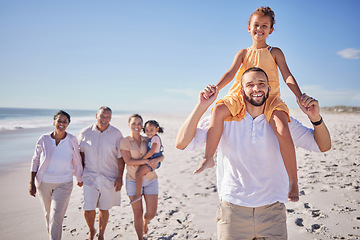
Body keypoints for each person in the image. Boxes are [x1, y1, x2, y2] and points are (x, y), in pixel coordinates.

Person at [176, 67, 331, 239]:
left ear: (268, 88)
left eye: (261, 84)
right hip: (233, 211)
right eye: (250, 85)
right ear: (241, 90)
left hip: (273, 211)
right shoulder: (227, 118)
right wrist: (201, 106)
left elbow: (322, 146)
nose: (256, 88)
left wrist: (315, 118)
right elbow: (183, 143)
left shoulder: (281, 121)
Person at [202, 6, 303, 202]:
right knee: (219, 109)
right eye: (256, 25)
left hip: (270, 97)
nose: (260, 29)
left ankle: (293, 180)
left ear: (271, 30)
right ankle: (208, 157)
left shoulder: (275, 52)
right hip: (243, 95)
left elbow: (287, 75)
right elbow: (231, 73)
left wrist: (299, 95)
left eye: (264, 26)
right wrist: (216, 87)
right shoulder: (243, 53)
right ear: (248, 28)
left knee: (282, 130)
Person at [29, 110, 83, 240]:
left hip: (64, 183)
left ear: (68, 124)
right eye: (59, 120)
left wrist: (79, 177)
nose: (61, 123)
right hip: (44, 183)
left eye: (65, 121)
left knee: (56, 215)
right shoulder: (44, 139)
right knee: (48, 215)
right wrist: (32, 183)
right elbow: (35, 160)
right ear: (54, 122)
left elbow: (77, 159)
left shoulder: (72, 140)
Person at [78, 106, 124, 240]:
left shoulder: (116, 134)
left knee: (104, 209)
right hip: (89, 177)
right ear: (96, 116)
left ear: (110, 118)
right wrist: (79, 176)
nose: (104, 119)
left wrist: (120, 177)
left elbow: (121, 157)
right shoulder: (85, 133)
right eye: (102, 116)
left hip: (109, 177)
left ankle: (101, 235)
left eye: (108, 117)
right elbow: (80, 156)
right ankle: (91, 230)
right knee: (88, 208)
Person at [120, 114, 164, 240]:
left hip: (150, 179)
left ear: (142, 126)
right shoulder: (125, 141)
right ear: (129, 125)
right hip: (133, 180)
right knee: (137, 213)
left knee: (151, 213)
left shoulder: (148, 139)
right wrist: (146, 161)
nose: (136, 126)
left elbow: (159, 155)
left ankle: (146, 221)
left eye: (139, 123)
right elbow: (128, 161)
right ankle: (140, 238)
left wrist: (159, 159)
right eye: (134, 123)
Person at [131, 120, 164, 204]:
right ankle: (141, 191)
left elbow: (152, 151)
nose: (149, 132)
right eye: (147, 130)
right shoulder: (150, 138)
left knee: (139, 173)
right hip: (151, 159)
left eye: (151, 130)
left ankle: (138, 194)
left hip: (153, 159)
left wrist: (143, 159)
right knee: (140, 172)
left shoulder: (155, 138)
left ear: (157, 130)